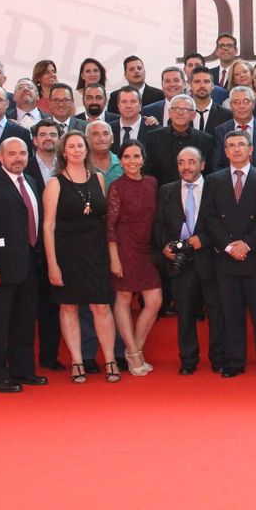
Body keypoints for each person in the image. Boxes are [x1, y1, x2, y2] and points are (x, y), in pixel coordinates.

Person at [43, 132, 120, 383]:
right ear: (63, 152)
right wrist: (52, 264)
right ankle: (77, 361)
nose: (77, 150)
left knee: (102, 306)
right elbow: (48, 226)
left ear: (86, 150)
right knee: (69, 306)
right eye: (71, 146)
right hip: (67, 254)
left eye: (80, 146)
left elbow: (104, 218)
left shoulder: (98, 178)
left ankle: (110, 359)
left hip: (96, 253)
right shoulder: (54, 183)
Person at [0, 137, 45, 393]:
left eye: (22, 153)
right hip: (1, 268)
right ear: (0, 157)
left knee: (24, 320)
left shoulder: (31, 182)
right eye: (12, 153)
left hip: (29, 264)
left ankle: (22, 370)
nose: (18, 158)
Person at [202, 131, 256, 377]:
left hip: (255, 256)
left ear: (251, 149)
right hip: (226, 258)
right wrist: (229, 246)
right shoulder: (213, 180)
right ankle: (234, 361)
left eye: (241, 144)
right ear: (225, 151)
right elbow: (210, 217)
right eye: (231, 145)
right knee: (231, 313)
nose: (236, 149)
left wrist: (248, 244)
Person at [155, 146, 222, 375]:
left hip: (210, 259)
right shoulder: (167, 191)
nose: (186, 167)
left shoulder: (215, 187)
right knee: (184, 313)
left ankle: (218, 357)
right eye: (182, 162)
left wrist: (205, 239)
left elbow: (225, 222)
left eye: (191, 162)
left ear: (202, 164)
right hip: (180, 262)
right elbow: (159, 224)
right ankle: (188, 359)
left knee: (216, 311)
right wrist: (165, 246)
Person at [107, 139, 162, 377]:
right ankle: (133, 352)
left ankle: (133, 351)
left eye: (136, 156)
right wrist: (114, 258)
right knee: (124, 297)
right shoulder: (116, 187)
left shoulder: (152, 183)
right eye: (127, 157)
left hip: (148, 249)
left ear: (143, 159)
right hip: (125, 249)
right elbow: (110, 226)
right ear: (120, 161)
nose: (132, 161)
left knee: (155, 301)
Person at [143, 95, 215, 188]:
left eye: (186, 109)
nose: (180, 113)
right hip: (160, 192)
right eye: (176, 109)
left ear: (193, 115)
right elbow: (147, 170)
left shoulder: (205, 140)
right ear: (169, 113)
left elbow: (208, 172)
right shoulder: (153, 137)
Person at [215, 86, 256, 170]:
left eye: (246, 101)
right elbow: (217, 164)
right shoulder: (221, 131)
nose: (241, 106)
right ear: (230, 105)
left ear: (253, 104)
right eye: (236, 102)